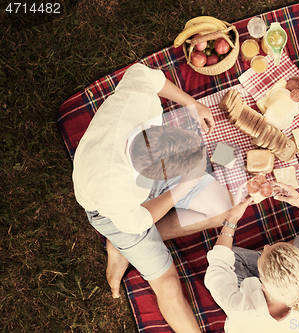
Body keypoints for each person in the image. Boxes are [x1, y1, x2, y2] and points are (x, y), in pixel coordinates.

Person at [72, 63, 232, 332]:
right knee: (168, 283)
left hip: (136, 185)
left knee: (223, 211)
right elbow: (137, 222)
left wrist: (192, 105)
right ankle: (123, 243)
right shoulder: (113, 192)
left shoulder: (139, 102)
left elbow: (145, 74)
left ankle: (121, 246)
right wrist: (184, 185)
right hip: (118, 214)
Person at [204, 182, 299, 332]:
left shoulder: (241, 310)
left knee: (232, 254)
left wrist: (231, 220)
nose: (266, 246)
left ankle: (273, 262)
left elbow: (218, 266)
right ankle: (275, 261)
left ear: (262, 284)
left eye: (264, 252)